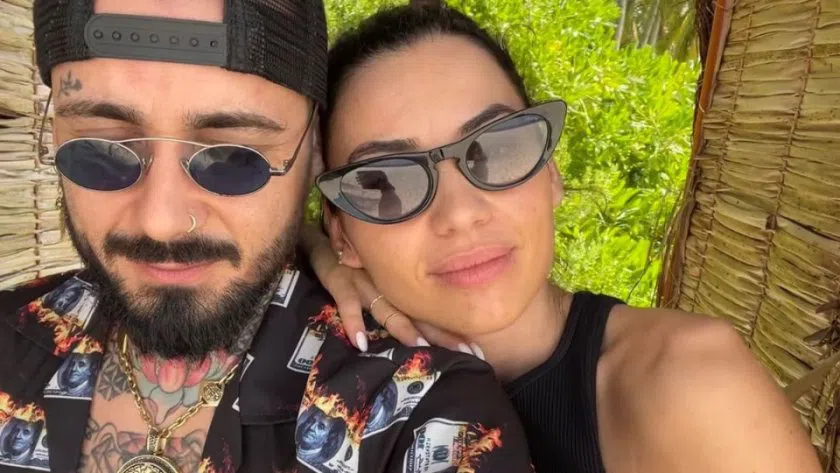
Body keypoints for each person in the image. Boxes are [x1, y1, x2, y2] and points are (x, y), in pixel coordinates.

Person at [0, 1, 533, 472]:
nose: (162, 222)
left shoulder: (414, 409)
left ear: (315, 152)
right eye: (101, 149)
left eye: (235, 158)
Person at [306, 3, 824, 473]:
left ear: (551, 173)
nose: (460, 213)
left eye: (499, 148)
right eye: (386, 183)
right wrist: (314, 251)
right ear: (341, 230)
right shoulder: (318, 369)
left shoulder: (691, 383)